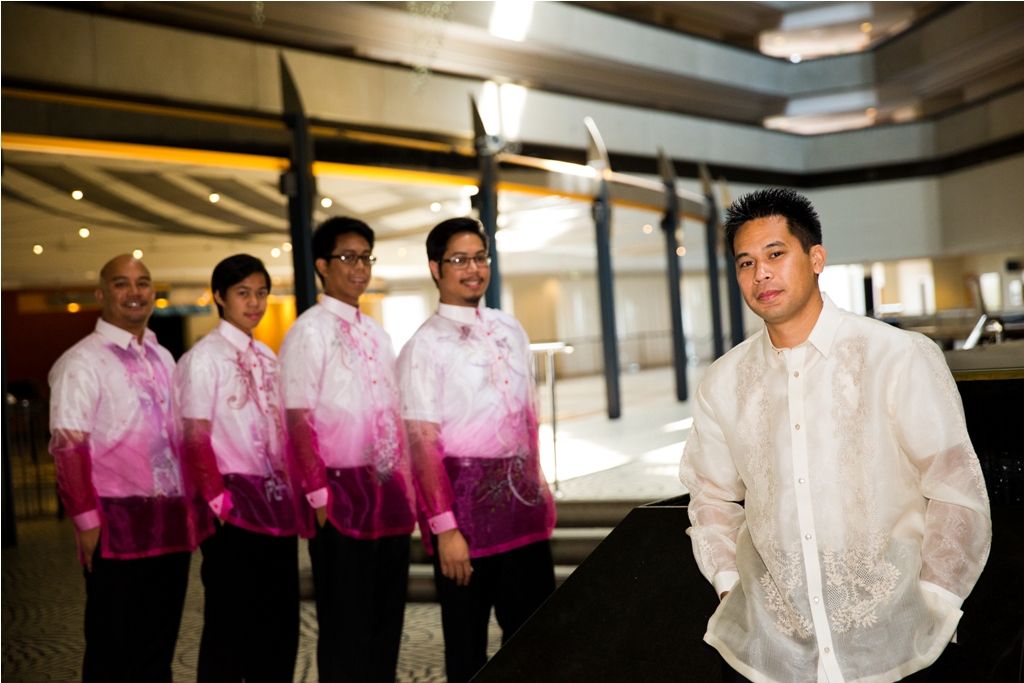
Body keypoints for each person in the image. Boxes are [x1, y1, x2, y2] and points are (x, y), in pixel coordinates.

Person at [679, 188, 992, 683]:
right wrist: (728, 585)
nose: (760, 273)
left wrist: (936, 600)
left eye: (775, 254)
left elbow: (956, 489)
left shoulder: (896, 357)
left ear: (816, 257)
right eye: (745, 262)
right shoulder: (724, 382)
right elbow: (711, 497)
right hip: (773, 655)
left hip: (897, 647)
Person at [397, 217, 557, 683]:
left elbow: (529, 422)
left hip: (523, 512)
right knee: (467, 647)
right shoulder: (423, 347)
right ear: (435, 268)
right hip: (464, 519)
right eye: (459, 259)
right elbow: (421, 446)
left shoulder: (510, 328)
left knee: (535, 636)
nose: (473, 268)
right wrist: (444, 530)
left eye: (480, 257)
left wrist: (540, 491)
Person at [279, 217, 416, 682]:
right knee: (344, 624)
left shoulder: (377, 334)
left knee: (386, 620)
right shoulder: (308, 331)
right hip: (338, 500)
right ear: (322, 265)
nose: (359, 268)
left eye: (365, 257)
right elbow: (297, 420)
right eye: (348, 257)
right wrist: (317, 497)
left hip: (386, 496)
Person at [48, 254, 195, 682]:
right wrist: (87, 523)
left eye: (143, 283)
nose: (135, 293)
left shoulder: (163, 357)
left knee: (158, 647)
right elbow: (68, 448)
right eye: (121, 283)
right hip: (117, 528)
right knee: (114, 651)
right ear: (101, 294)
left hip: (170, 525)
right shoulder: (82, 362)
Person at [174, 254, 303, 682]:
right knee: (230, 629)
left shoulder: (267, 355)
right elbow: (194, 437)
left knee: (280, 626)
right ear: (219, 297)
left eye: (261, 293)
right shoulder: (203, 359)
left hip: (277, 509)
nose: (255, 303)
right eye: (243, 293)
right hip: (232, 513)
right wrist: (219, 503)